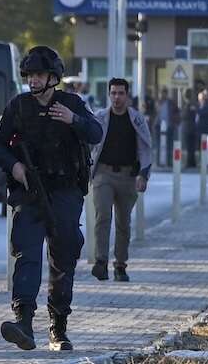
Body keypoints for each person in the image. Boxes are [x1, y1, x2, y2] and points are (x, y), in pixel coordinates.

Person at [0, 46, 103, 352]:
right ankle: (23, 321)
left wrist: (73, 120)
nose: (34, 80)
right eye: (29, 75)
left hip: (65, 192)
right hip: (29, 193)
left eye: (39, 74)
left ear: (53, 77)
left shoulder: (71, 103)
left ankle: (58, 326)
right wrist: (14, 166)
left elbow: (95, 132)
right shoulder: (18, 106)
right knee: (26, 253)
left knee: (63, 256)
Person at [89, 78, 153, 283]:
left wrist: (143, 174)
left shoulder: (136, 119)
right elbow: (89, 143)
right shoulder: (100, 118)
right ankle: (101, 262)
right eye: (113, 93)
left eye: (121, 93)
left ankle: (120, 265)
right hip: (103, 174)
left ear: (127, 95)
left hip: (128, 176)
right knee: (103, 216)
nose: (117, 97)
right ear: (109, 95)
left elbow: (145, 147)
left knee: (123, 222)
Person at [179, 89, 199, 169]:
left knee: (189, 146)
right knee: (192, 147)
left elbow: (185, 115)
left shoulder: (188, 104)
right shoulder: (194, 104)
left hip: (188, 127)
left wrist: (181, 114)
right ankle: (192, 162)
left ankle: (190, 163)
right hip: (193, 127)